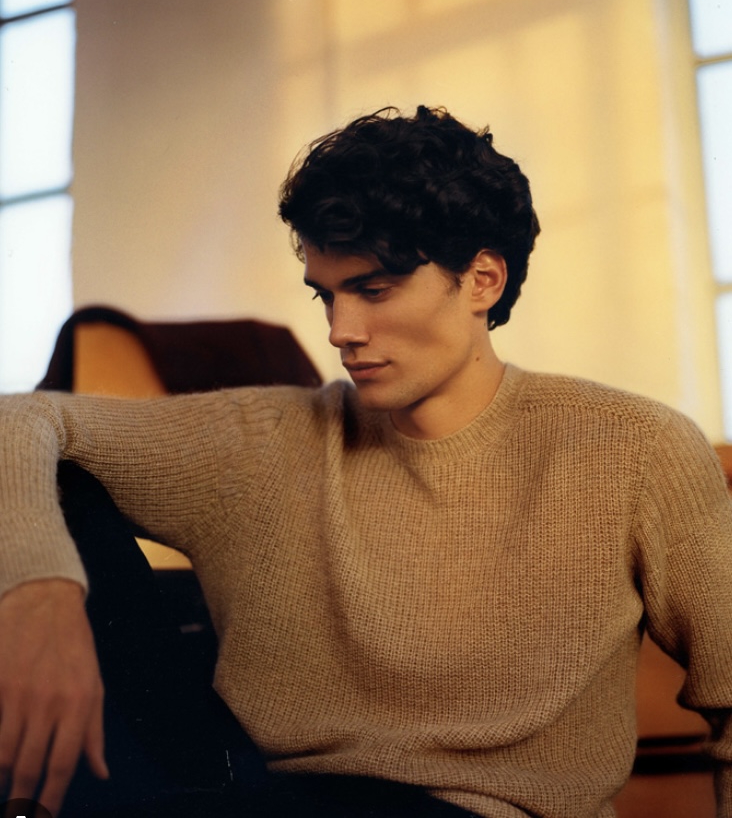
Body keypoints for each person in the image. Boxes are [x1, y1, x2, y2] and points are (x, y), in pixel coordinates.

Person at [0, 105, 731, 818]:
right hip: (258, 797)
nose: (341, 331)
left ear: (483, 279)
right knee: (58, 488)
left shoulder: (633, 449)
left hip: (475, 812)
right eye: (327, 295)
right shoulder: (262, 439)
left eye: (373, 290)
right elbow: (18, 420)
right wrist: (39, 586)